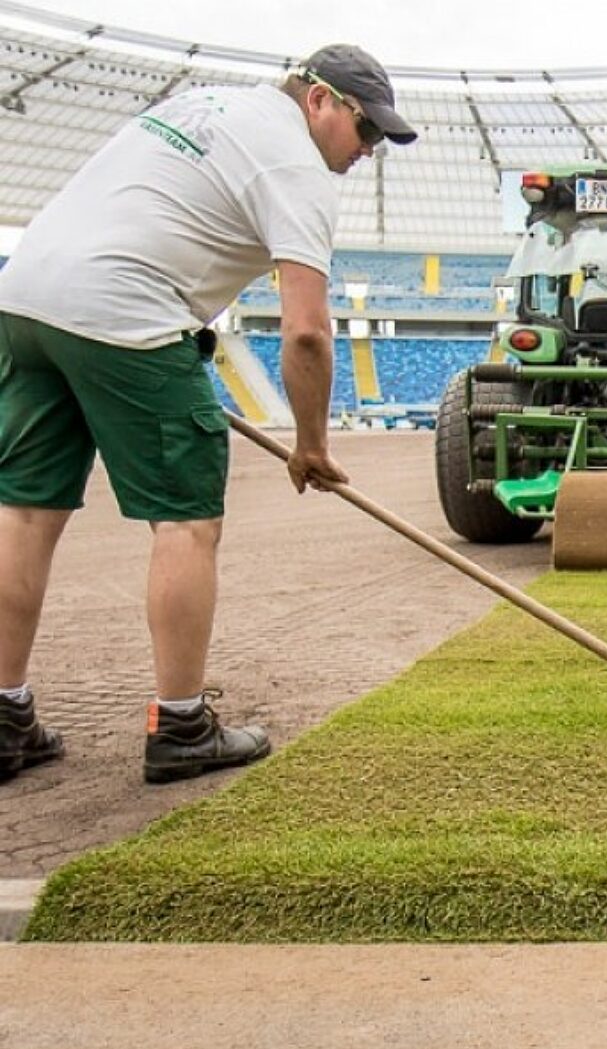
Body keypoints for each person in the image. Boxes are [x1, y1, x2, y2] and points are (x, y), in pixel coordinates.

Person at [0, 45, 416, 786]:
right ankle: (182, 726)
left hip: (25, 298)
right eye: (365, 129)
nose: (368, 150)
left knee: (25, 511)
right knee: (187, 522)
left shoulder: (204, 102)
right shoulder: (298, 169)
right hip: (127, 313)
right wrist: (311, 444)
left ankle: (3, 719)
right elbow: (308, 332)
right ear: (319, 99)